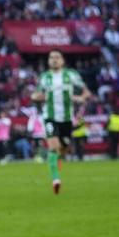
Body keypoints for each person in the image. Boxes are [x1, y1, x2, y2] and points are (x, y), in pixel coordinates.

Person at [30, 49, 91, 194]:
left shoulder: (71, 75)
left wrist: (81, 98)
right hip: (50, 117)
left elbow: (86, 92)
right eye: (51, 57)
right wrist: (35, 97)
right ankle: (55, 179)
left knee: (63, 148)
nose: (54, 60)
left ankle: (57, 158)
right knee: (53, 146)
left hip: (66, 119)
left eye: (57, 57)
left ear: (62, 60)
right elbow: (37, 94)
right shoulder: (45, 77)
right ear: (48, 61)